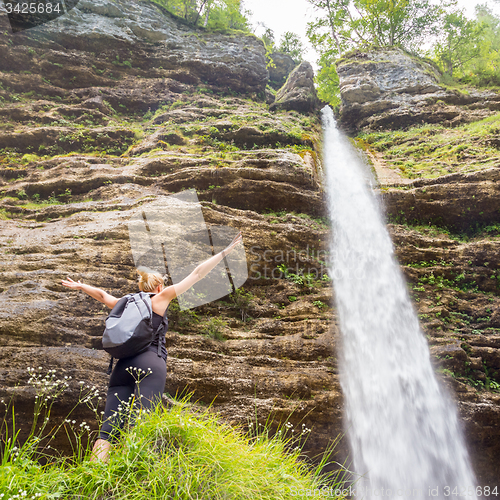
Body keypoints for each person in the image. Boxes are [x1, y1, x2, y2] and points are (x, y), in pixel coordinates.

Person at [61, 231, 242, 462]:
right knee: (143, 424)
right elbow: (197, 274)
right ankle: (133, 481)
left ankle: (92, 476)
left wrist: (81, 286)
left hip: (121, 368)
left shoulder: (125, 302)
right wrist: (224, 253)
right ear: (158, 286)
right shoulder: (161, 298)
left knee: (107, 430)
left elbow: (101, 294)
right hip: (150, 363)